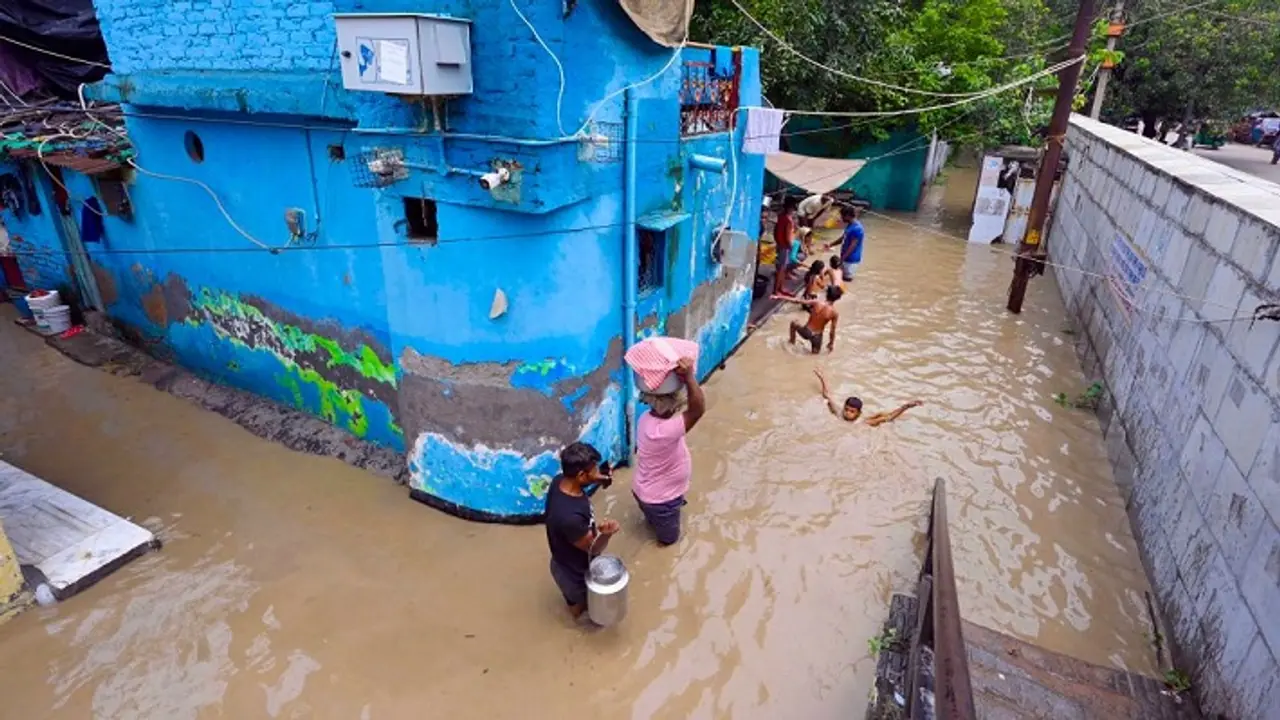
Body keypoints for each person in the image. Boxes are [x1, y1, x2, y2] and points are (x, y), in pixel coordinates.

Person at [632, 357, 705, 546]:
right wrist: (689, 377)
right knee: (669, 542)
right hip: (662, 501)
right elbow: (697, 410)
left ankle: (652, 519)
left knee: (652, 519)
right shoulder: (664, 431)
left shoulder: (645, 419)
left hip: (645, 490)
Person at [545, 441, 620, 620]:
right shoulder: (570, 518)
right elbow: (594, 548)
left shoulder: (559, 482)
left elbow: (587, 479)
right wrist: (607, 533)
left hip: (565, 559)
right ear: (580, 475)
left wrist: (601, 478)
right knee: (580, 607)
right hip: (573, 573)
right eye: (594, 470)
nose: (597, 472)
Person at [813, 368, 922, 426]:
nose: (847, 413)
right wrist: (822, 378)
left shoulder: (862, 422)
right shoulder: (838, 413)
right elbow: (827, 396)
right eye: (846, 409)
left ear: (858, 413)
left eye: (852, 411)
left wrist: (906, 406)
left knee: (881, 416)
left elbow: (889, 418)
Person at [776, 284, 842, 354]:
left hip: (806, 332)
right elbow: (832, 331)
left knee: (794, 323)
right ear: (837, 298)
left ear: (827, 294)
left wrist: (780, 296)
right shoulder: (834, 313)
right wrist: (831, 343)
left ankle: (792, 342)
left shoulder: (817, 302)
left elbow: (797, 301)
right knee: (814, 356)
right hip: (817, 337)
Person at [831, 206, 865, 282]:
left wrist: (842, 260)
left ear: (848, 215)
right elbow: (843, 238)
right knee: (840, 277)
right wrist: (831, 244)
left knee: (846, 280)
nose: (841, 218)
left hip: (851, 260)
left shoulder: (857, 229)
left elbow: (852, 246)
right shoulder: (850, 225)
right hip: (845, 257)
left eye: (842, 216)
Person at [773, 196, 797, 294]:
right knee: (782, 269)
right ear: (791, 208)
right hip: (785, 247)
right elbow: (788, 238)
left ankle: (780, 288)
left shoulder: (780, 216)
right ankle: (777, 290)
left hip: (780, 245)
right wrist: (792, 247)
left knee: (781, 268)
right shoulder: (788, 220)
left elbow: (775, 231)